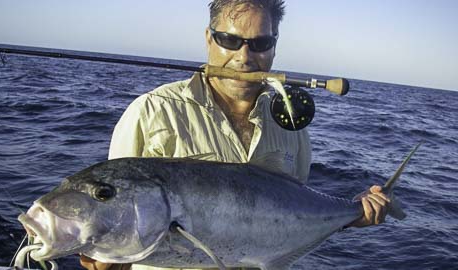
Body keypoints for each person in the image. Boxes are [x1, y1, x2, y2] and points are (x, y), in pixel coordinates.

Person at [81, 1, 390, 269]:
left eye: (259, 43)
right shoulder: (152, 112)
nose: (244, 57)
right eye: (230, 40)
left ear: (274, 46)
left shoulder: (291, 126)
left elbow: (293, 213)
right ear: (208, 39)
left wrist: (351, 216)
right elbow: (114, 211)